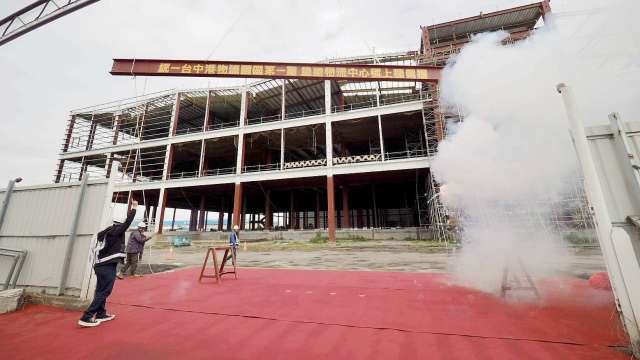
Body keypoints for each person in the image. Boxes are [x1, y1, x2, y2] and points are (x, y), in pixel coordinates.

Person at [78, 201, 137, 328]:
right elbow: (128, 222)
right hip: (107, 266)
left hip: (99, 266)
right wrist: (134, 209)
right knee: (105, 291)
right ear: (120, 224)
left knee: (100, 290)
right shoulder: (116, 232)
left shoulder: (105, 232)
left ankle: (101, 313)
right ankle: (87, 316)